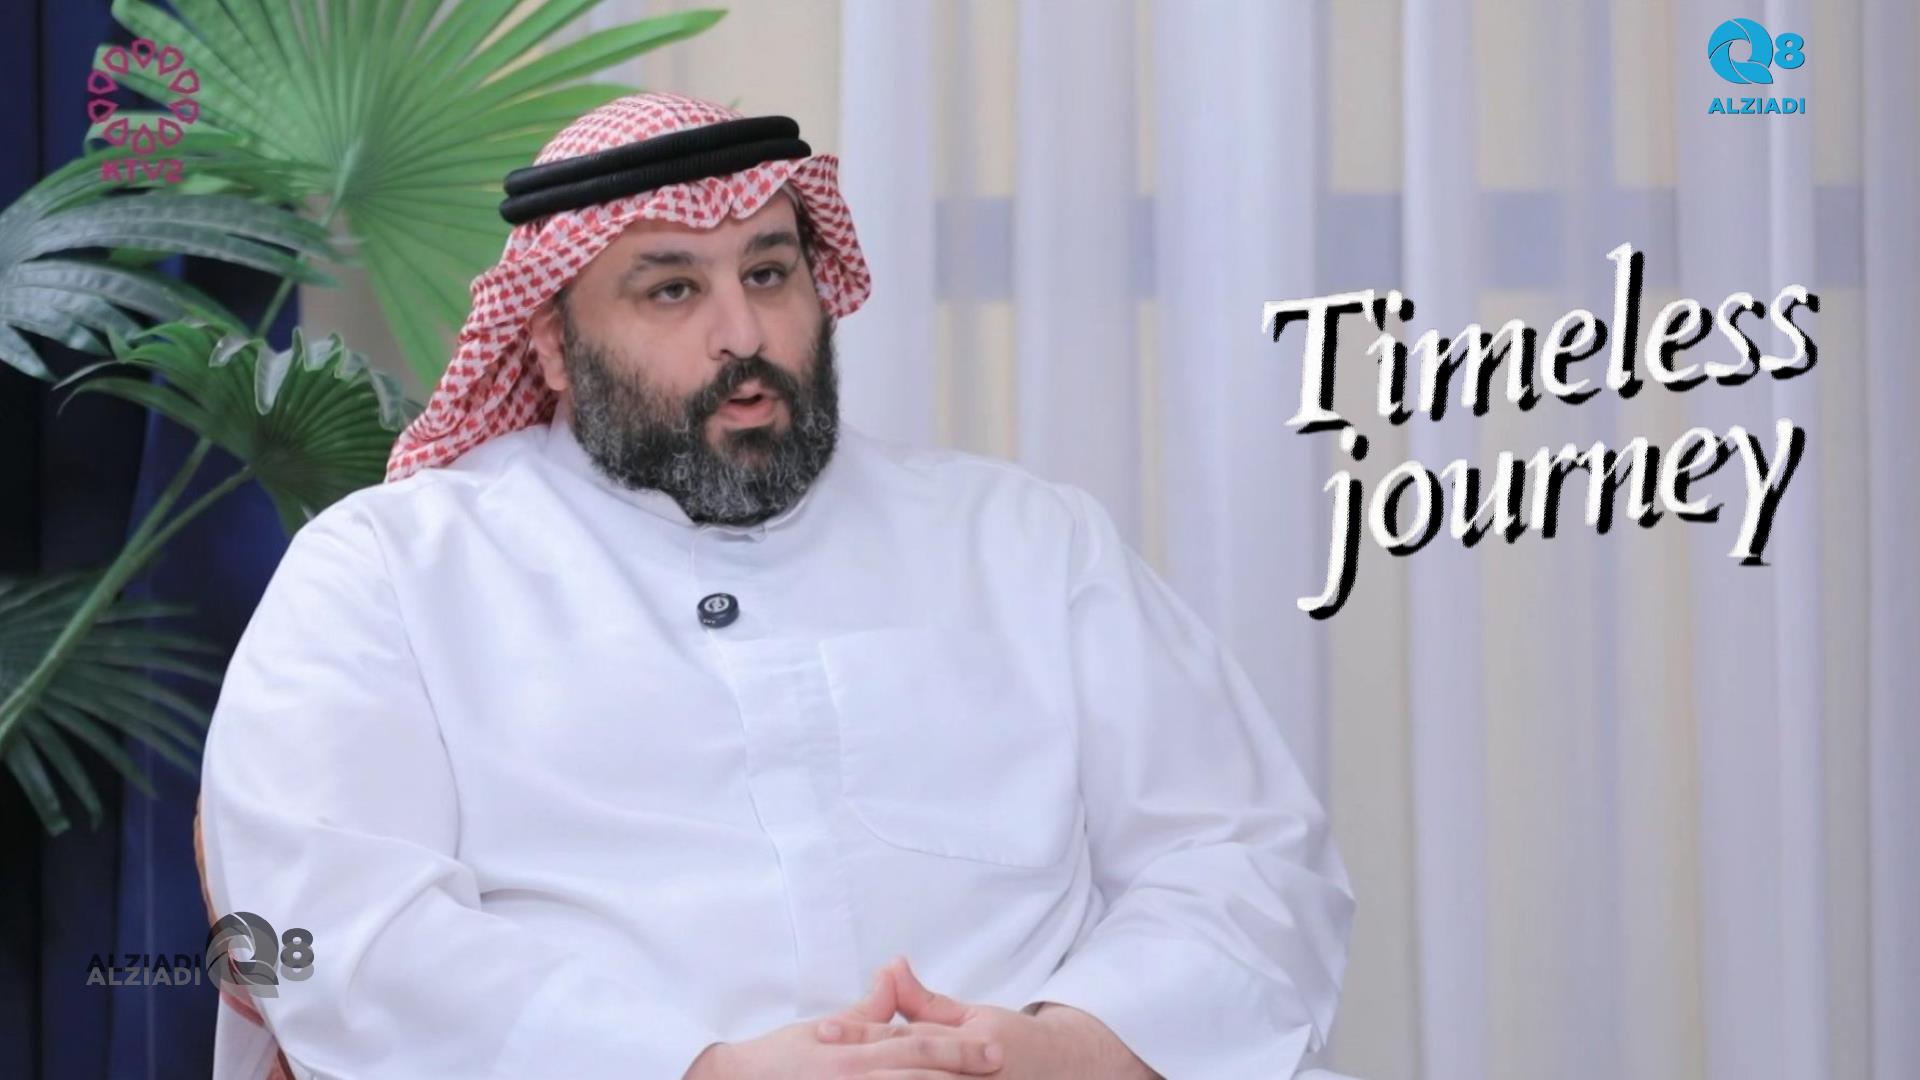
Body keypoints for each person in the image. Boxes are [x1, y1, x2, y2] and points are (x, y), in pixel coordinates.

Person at [198, 91, 1355, 1080]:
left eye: (768, 272)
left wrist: (1073, 1045)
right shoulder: (393, 573)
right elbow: (321, 927)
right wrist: (698, 1069)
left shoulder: (1025, 542)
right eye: (671, 290)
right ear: (550, 342)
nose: (742, 333)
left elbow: (1245, 856)